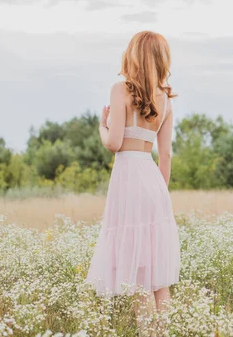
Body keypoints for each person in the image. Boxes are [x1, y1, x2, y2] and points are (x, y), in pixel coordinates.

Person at [85, 31, 180, 329]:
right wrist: (159, 198)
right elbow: (165, 157)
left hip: (128, 179)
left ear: (132, 55)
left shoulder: (120, 90)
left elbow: (114, 143)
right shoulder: (165, 99)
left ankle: (146, 333)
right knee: (157, 274)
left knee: (139, 270)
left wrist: (102, 126)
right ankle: (161, 334)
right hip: (153, 182)